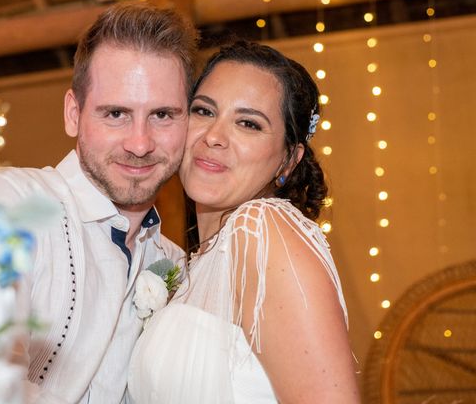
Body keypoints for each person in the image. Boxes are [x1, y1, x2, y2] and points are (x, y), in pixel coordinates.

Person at [0, 3, 197, 403]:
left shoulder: (175, 266)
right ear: (73, 113)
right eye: (116, 113)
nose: (140, 143)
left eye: (163, 115)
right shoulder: (8, 206)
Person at [128, 41, 360, 403]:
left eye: (248, 123)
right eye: (204, 111)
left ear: (288, 161)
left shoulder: (261, 227)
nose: (214, 137)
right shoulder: (200, 259)